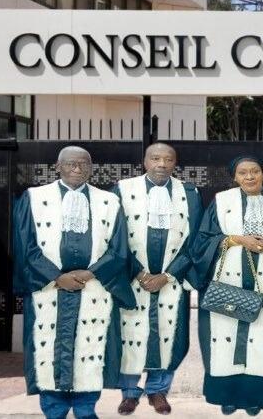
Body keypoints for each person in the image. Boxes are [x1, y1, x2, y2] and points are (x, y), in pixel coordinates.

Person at [12, 146, 136, 419]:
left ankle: (85, 411)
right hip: (48, 290)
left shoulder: (109, 202)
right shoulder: (34, 198)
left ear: (91, 168)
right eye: (70, 164)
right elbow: (25, 246)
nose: (77, 169)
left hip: (94, 289)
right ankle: (53, 412)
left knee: (90, 354)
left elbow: (118, 250)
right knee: (47, 354)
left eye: (83, 164)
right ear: (58, 167)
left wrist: (89, 274)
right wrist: (57, 277)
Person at [194, 156, 263, 416]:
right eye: (243, 173)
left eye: (255, 171)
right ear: (235, 177)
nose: (249, 177)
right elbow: (204, 240)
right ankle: (226, 397)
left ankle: (257, 399)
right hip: (229, 278)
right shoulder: (221, 201)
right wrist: (237, 239)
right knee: (225, 338)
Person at [112, 143, 203, 415]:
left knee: (168, 335)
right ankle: (130, 393)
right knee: (130, 335)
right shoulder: (122, 189)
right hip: (132, 278)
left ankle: (158, 391)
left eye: (168, 159)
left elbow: (196, 240)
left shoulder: (189, 193)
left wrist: (168, 274)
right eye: (155, 158)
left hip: (172, 280)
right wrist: (139, 272)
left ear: (175, 163)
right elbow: (114, 237)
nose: (161, 164)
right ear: (145, 161)